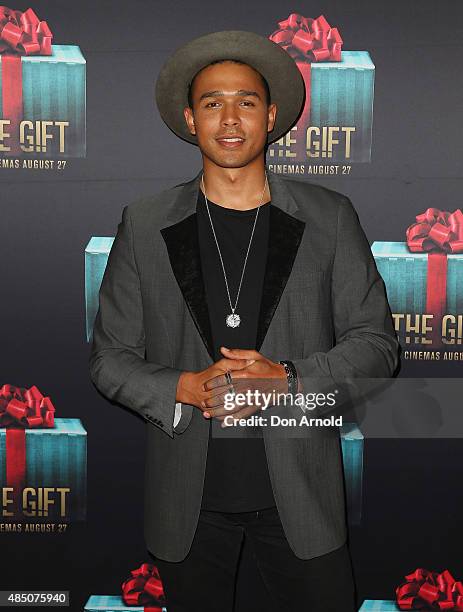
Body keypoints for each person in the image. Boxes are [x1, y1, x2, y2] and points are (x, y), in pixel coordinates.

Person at [89, 30, 399, 612]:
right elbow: (109, 359)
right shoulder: (145, 222)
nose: (230, 119)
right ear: (190, 118)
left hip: (302, 498)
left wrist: (288, 379)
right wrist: (182, 386)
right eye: (212, 103)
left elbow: (377, 345)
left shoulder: (329, 216)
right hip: (188, 501)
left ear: (272, 114)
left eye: (246, 102)